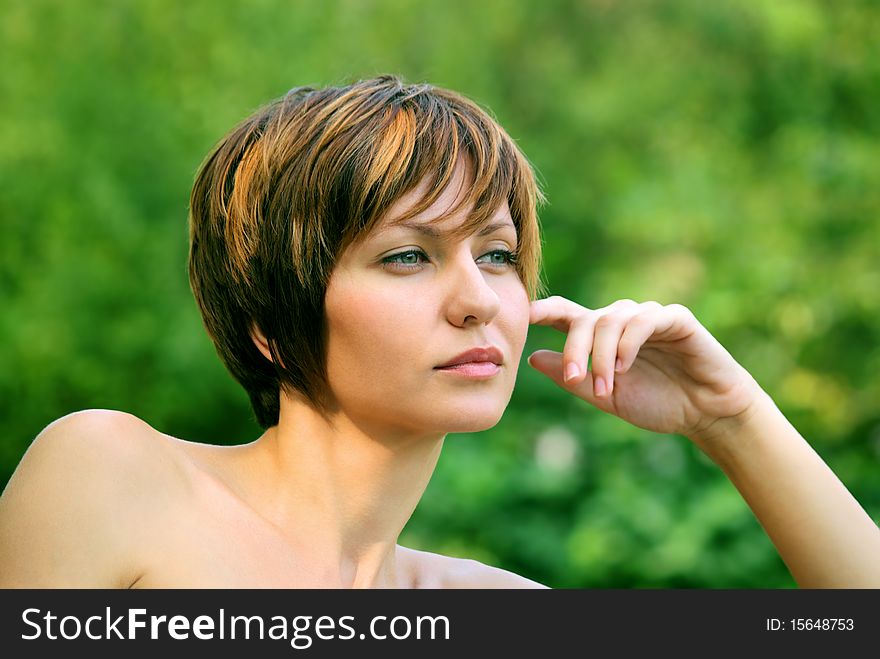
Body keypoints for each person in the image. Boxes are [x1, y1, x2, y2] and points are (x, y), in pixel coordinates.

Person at [0, 75, 877, 589]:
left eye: (497, 253)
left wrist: (735, 420)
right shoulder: (114, 478)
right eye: (408, 257)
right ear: (270, 320)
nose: (476, 300)